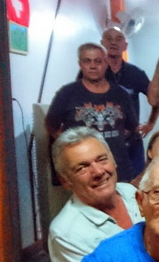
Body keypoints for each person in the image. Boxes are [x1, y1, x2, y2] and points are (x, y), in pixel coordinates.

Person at [48, 127, 142, 262]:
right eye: (82, 168)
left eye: (102, 159)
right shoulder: (66, 233)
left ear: (114, 161)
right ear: (65, 181)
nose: (98, 172)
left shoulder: (131, 193)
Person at [45, 43, 139, 182]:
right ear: (80, 64)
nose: (93, 66)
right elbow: (52, 126)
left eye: (98, 61)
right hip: (83, 170)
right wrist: (72, 145)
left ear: (106, 63)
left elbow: (131, 127)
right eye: (87, 61)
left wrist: (113, 139)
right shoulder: (67, 93)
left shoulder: (121, 94)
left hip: (118, 168)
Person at [99, 27, 156, 176]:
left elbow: (156, 98)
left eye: (118, 39)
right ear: (102, 43)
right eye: (109, 39)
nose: (113, 43)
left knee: (135, 184)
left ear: (125, 46)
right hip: (101, 143)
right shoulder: (93, 73)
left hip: (131, 144)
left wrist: (151, 123)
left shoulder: (135, 73)